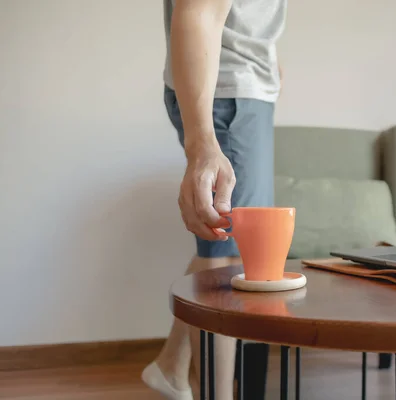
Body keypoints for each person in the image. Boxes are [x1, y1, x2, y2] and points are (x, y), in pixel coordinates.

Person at [142, 0, 287, 399]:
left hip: (241, 91)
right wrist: (203, 142)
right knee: (230, 258)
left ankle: (172, 367)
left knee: (224, 252)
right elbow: (198, 11)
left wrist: (268, 60)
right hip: (228, 93)